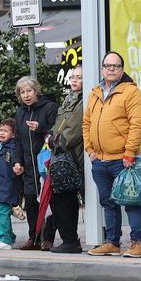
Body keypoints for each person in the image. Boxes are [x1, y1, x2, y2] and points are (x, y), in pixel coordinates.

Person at [83, 51, 141, 258]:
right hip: (100, 160)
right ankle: (112, 242)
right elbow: (86, 123)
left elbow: (137, 124)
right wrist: (90, 150)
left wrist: (129, 153)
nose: (111, 69)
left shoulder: (131, 92)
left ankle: (137, 244)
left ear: (122, 69)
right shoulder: (95, 92)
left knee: (131, 202)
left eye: (116, 66)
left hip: (123, 159)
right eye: (107, 66)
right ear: (102, 68)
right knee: (108, 203)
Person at [14, 76, 59, 250]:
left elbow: (55, 133)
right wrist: (17, 161)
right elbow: (17, 140)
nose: (26, 95)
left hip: (46, 166)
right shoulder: (20, 113)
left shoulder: (49, 108)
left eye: (29, 91)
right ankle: (33, 237)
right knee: (31, 202)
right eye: (22, 92)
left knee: (50, 202)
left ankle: (48, 238)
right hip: (28, 166)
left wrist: (40, 128)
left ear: (36, 91)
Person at [48, 65, 85, 253]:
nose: (74, 80)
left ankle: (71, 240)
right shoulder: (69, 99)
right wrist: (52, 137)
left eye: (79, 77)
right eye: (73, 77)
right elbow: (58, 125)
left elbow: (72, 132)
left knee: (65, 199)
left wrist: (54, 140)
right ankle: (69, 239)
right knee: (62, 199)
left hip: (72, 158)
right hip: (62, 156)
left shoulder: (83, 101)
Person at [0, 118, 25, 250]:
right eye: (1, 130)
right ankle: (9, 237)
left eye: (6, 131)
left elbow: (16, 163)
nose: (2, 133)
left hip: (7, 186)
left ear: (13, 135)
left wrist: (17, 167)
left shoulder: (13, 147)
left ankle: (5, 239)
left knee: (1, 213)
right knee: (2, 213)